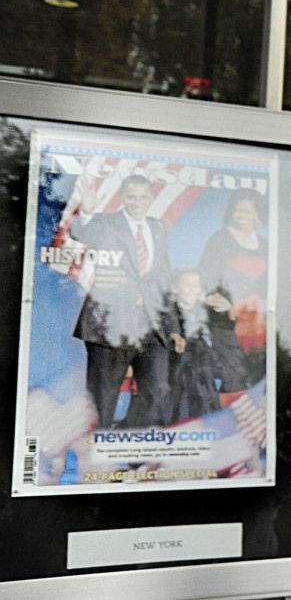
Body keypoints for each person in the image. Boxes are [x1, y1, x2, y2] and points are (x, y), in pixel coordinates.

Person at [70, 174, 179, 428]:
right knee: (103, 394)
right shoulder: (107, 224)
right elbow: (82, 233)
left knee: (158, 389)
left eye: (143, 196)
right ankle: (96, 451)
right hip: (111, 323)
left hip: (151, 324)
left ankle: (130, 445)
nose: (137, 202)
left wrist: (173, 327)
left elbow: (162, 280)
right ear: (122, 197)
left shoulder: (157, 228)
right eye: (131, 196)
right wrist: (86, 211)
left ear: (152, 198)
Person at [198, 188, 268, 402]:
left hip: (256, 322)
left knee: (257, 372)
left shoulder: (264, 245)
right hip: (225, 322)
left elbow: (268, 284)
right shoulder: (219, 239)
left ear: (257, 214)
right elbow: (205, 277)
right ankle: (230, 423)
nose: (242, 216)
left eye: (248, 211)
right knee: (233, 373)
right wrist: (217, 299)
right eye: (238, 211)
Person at [165, 268, 221, 423]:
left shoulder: (203, 310)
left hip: (201, 359)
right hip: (178, 358)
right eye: (187, 285)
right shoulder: (169, 309)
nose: (192, 290)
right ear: (176, 288)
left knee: (204, 388)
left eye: (196, 286)